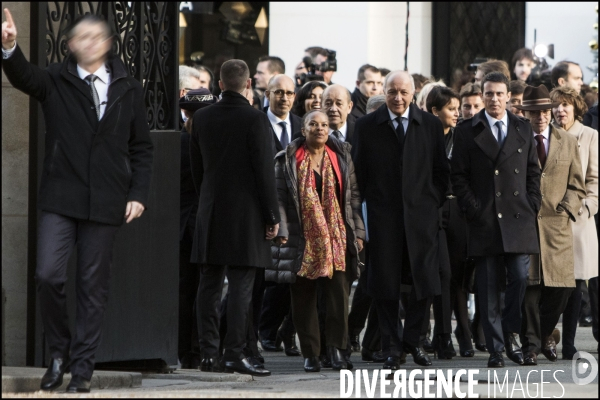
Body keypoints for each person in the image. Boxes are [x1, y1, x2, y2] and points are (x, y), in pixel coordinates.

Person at [2, 10, 153, 393]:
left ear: (105, 43)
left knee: (92, 287)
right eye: (78, 37)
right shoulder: (56, 78)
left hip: (106, 202)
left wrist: (137, 194)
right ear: (69, 44)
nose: (84, 42)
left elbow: (142, 148)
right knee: (48, 275)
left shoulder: (129, 88)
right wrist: (9, 48)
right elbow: (25, 77)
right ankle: (58, 353)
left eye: (92, 36)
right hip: (61, 196)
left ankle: (82, 371)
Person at [190, 59, 280, 376]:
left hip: (211, 210)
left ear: (219, 82)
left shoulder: (200, 118)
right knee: (242, 286)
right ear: (247, 84)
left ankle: (207, 355)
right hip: (247, 214)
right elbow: (264, 174)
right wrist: (272, 215)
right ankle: (233, 353)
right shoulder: (255, 119)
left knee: (209, 285)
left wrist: (208, 201)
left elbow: (196, 171)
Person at [354, 71, 450, 370]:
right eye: (392, 92)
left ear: (413, 94)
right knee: (385, 287)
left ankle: (413, 342)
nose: (397, 98)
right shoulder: (367, 125)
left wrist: (430, 202)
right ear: (384, 91)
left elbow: (440, 171)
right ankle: (392, 348)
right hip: (384, 220)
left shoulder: (430, 124)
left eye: (403, 92)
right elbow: (359, 173)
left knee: (424, 282)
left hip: (421, 219)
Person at [451, 71, 542, 368]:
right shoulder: (467, 129)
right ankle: (496, 349)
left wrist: (532, 202)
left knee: (518, 278)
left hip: (518, 217)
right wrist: (473, 208)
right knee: (488, 288)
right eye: (488, 94)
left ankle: (510, 333)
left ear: (508, 96)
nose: (494, 99)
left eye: (499, 94)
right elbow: (459, 176)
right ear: (482, 95)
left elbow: (532, 171)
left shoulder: (522, 128)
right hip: (485, 219)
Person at [268, 109, 365, 372]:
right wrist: (282, 231)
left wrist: (358, 233)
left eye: (324, 125)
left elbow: (353, 198)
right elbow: (279, 200)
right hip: (301, 238)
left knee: (337, 297)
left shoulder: (341, 155)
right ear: (303, 129)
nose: (319, 129)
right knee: (303, 299)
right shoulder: (286, 159)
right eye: (313, 124)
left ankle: (336, 351)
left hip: (337, 236)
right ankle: (311, 352)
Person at [514, 85, 585, 366]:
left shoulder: (567, 141)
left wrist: (566, 209)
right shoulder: (517, 139)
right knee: (530, 290)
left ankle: (544, 336)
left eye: (545, 111)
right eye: (535, 112)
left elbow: (578, 185)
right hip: (526, 224)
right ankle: (531, 346)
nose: (541, 117)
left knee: (562, 288)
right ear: (526, 114)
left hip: (557, 226)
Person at [550, 86, 599, 359]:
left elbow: (595, 179)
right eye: (556, 105)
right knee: (553, 286)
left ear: (575, 107)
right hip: (550, 219)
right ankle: (547, 336)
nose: (560, 110)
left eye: (565, 105)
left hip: (579, 220)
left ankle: (568, 343)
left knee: (576, 285)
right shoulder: (547, 133)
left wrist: (589, 207)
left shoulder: (590, 136)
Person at [258, 74, 302, 357]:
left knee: (289, 277)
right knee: (264, 278)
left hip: (295, 213)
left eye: (288, 93)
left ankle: (274, 330)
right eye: (278, 93)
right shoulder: (258, 123)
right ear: (268, 94)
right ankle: (261, 330)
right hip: (263, 209)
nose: (284, 98)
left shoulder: (300, 125)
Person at [178, 87, 216, 369]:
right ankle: (197, 349)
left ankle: (188, 350)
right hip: (201, 223)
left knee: (189, 290)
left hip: (184, 224)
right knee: (203, 290)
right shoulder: (207, 141)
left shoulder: (180, 140)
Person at [426, 86, 464, 358]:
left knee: (456, 277)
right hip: (433, 211)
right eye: (451, 109)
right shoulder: (424, 137)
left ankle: (446, 337)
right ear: (435, 111)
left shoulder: (461, 137)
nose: (456, 113)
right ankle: (442, 335)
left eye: (457, 108)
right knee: (442, 272)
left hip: (459, 211)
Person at [322, 84, 357, 151]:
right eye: (328, 104)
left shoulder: (360, 133)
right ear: (321, 106)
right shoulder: (310, 135)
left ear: (349, 107)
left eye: (339, 104)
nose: (333, 109)